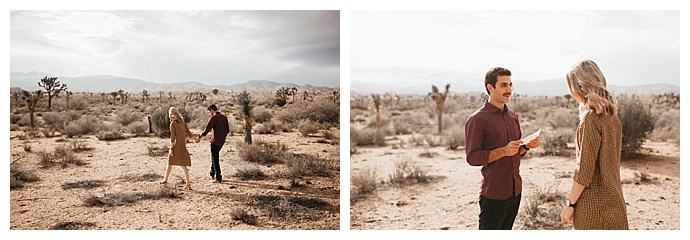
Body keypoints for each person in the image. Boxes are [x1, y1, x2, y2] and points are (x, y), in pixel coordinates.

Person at [465, 67, 540, 230]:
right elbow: (472, 157)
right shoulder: (477, 119)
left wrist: (526, 146)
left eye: (510, 85)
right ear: (490, 88)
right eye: (504, 85)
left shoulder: (513, 117)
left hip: (515, 191)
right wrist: (503, 151)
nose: (509, 90)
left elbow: (516, 152)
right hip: (494, 193)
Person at [559, 59, 629, 229]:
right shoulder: (613, 117)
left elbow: (584, 171)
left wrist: (570, 205)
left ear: (579, 87)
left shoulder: (590, 118)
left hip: (593, 206)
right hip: (615, 201)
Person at [160, 107, 195, 190]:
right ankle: (187, 183)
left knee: (170, 162)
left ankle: (166, 181)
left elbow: (172, 138)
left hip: (176, 146)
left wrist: (171, 149)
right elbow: (189, 133)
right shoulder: (182, 122)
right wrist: (196, 139)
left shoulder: (173, 124)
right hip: (182, 145)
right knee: (182, 164)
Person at [197, 104, 230, 183]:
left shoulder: (214, 117)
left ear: (212, 110)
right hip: (221, 141)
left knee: (215, 158)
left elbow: (207, 129)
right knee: (214, 156)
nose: (210, 113)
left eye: (209, 112)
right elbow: (227, 130)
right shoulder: (224, 117)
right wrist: (222, 137)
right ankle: (212, 173)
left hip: (215, 141)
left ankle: (218, 177)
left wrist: (200, 136)